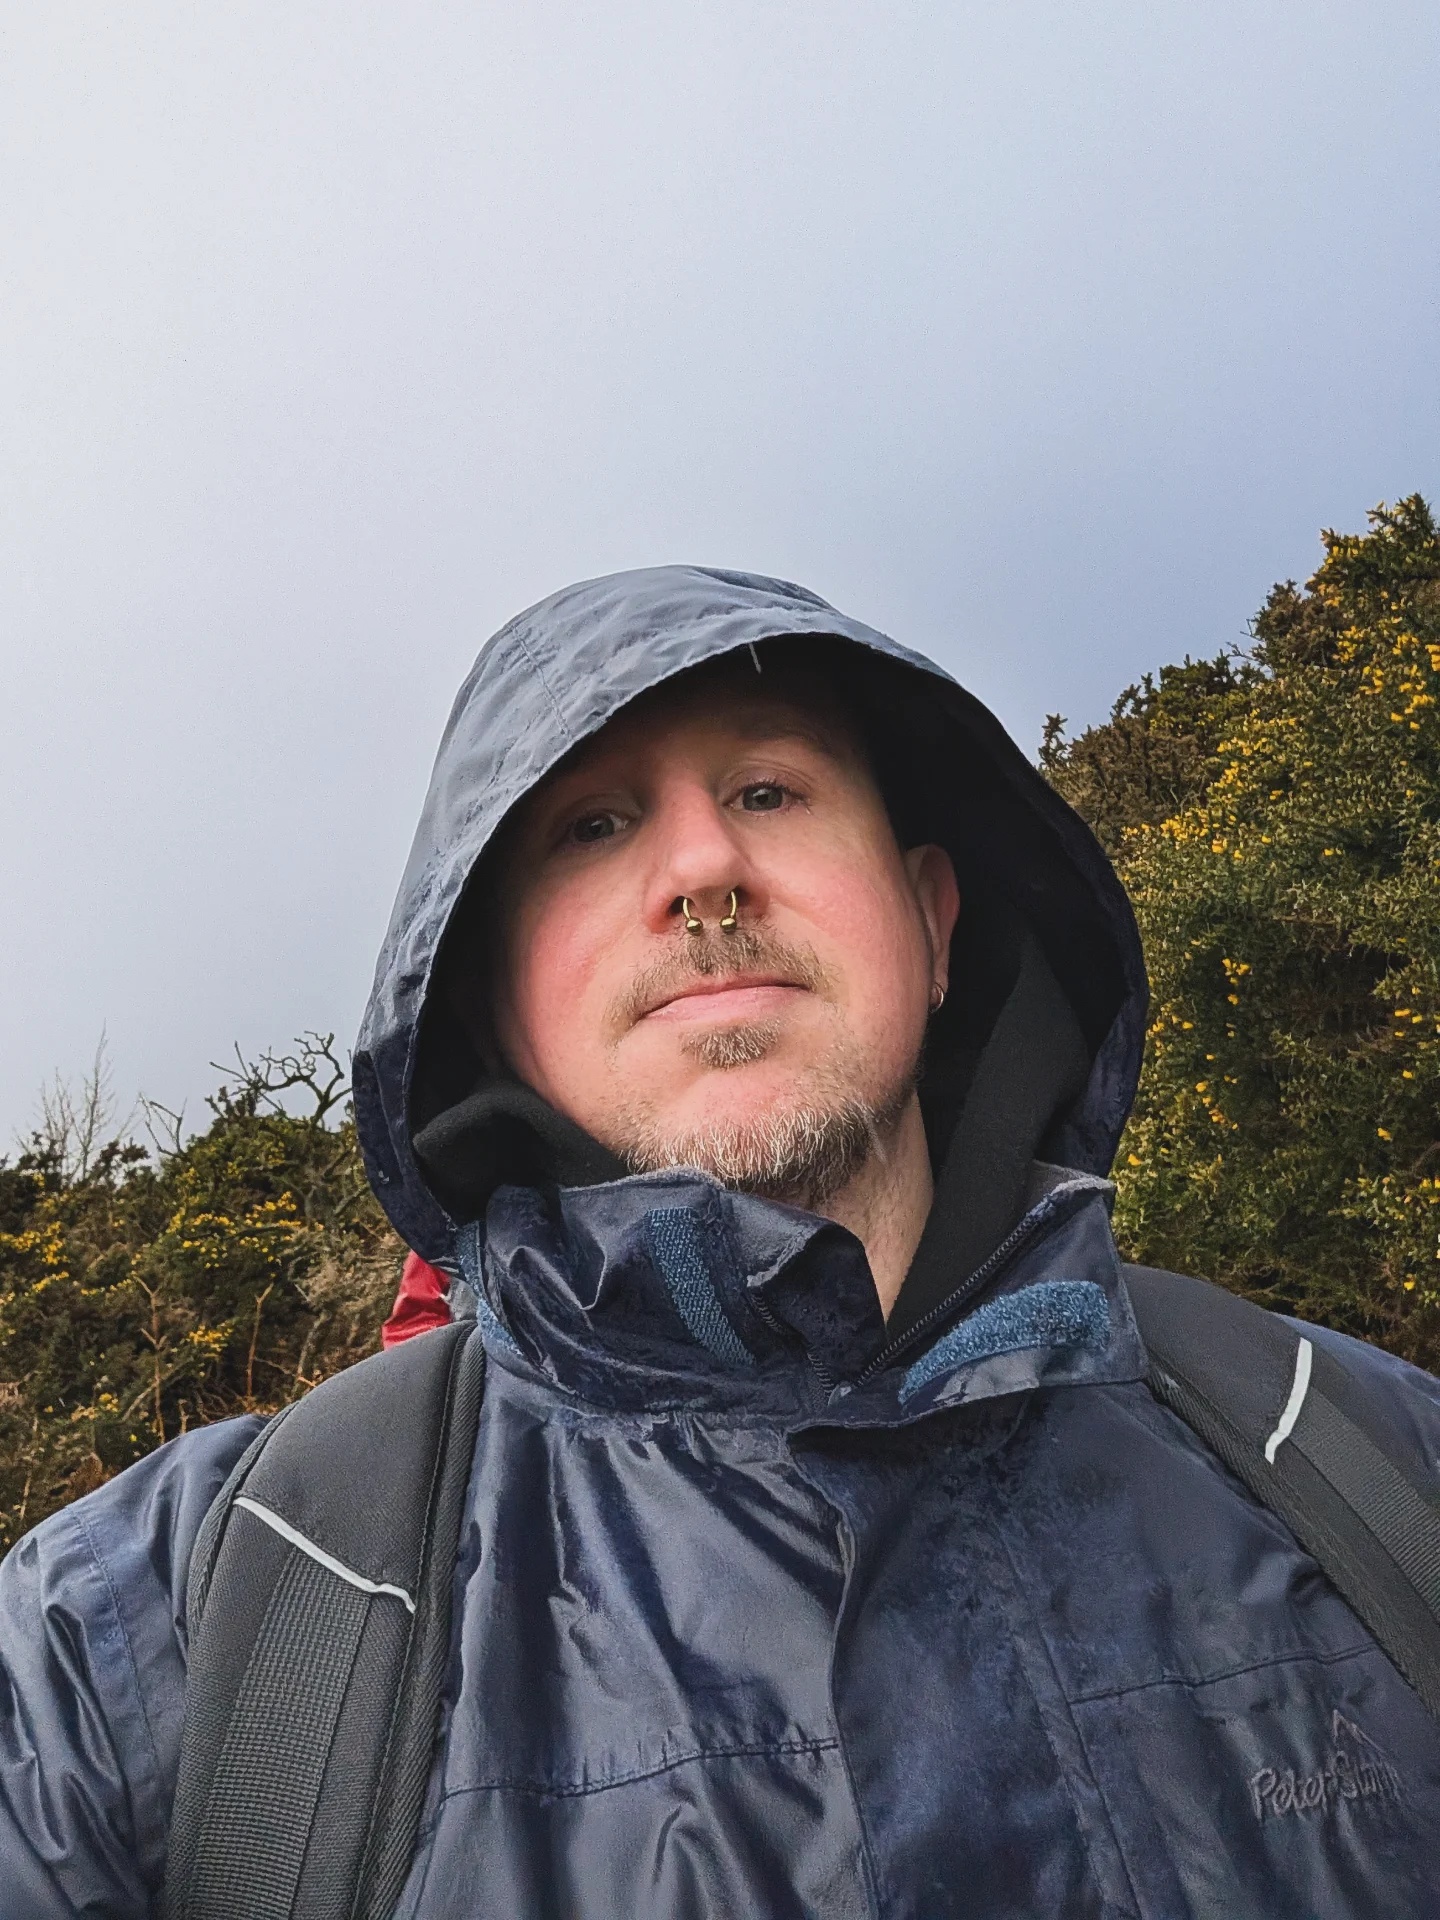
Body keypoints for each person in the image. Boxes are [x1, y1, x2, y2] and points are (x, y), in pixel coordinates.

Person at [4, 565, 1440, 1918]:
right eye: (591, 825)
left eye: (769, 790)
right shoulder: (163, 1623)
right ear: (491, 1003)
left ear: (934, 924)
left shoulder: (1371, 1463)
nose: (702, 866)